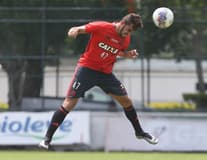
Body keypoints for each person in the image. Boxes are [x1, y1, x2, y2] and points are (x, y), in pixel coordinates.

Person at [39, 13, 158, 150]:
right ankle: (47, 138)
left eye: (131, 32)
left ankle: (139, 132)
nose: (128, 33)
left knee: (126, 101)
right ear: (123, 23)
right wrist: (74, 31)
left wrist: (127, 54)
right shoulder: (102, 27)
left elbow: (116, 51)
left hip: (105, 74)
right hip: (87, 69)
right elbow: (80, 28)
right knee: (70, 102)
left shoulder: (125, 39)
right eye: (129, 29)